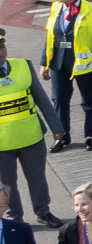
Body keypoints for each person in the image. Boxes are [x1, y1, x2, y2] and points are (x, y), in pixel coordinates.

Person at [40, 0, 92, 154]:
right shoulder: (56, 8)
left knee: (89, 101)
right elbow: (50, 37)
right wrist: (44, 63)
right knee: (59, 100)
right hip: (58, 63)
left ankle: (89, 136)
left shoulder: (91, 11)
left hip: (84, 65)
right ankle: (62, 136)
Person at [0, 31, 59, 227]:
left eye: (1, 47)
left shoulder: (22, 66)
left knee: (38, 179)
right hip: (2, 145)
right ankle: (14, 218)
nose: (0, 53)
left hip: (31, 137)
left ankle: (43, 212)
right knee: (6, 185)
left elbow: (42, 99)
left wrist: (56, 128)